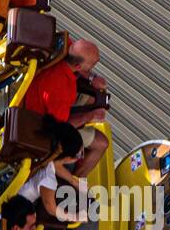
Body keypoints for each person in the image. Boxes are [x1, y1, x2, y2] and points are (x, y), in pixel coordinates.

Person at [23, 38, 108, 176]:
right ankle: (74, 180)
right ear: (79, 67)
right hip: (43, 125)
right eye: (93, 64)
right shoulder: (60, 91)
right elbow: (62, 128)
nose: (95, 65)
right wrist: (90, 116)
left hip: (39, 95)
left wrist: (92, 78)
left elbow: (77, 63)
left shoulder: (64, 47)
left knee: (92, 99)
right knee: (102, 143)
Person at [16, 117, 85, 222]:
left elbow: (55, 165)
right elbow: (52, 209)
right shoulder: (48, 179)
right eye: (79, 154)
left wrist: (74, 181)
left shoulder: (45, 153)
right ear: (68, 158)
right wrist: (76, 217)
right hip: (13, 208)